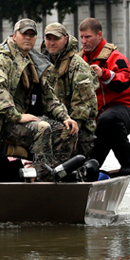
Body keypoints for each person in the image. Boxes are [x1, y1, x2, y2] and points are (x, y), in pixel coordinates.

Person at [0, 18, 79, 182]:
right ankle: (43, 179)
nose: (28, 38)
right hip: (3, 122)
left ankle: (57, 174)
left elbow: (49, 97)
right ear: (14, 35)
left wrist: (65, 117)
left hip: (24, 120)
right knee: (42, 128)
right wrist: (16, 116)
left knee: (68, 130)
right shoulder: (2, 59)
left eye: (32, 35)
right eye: (24, 34)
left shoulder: (33, 61)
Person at [80, 18, 130, 175]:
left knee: (108, 120)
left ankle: (128, 162)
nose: (84, 41)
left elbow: (125, 81)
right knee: (87, 165)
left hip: (124, 112)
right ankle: (89, 173)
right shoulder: (80, 59)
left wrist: (104, 74)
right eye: (82, 37)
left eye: (88, 37)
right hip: (98, 119)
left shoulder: (116, 57)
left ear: (99, 35)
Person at [40, 22, 98, 158]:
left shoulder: (78, 66)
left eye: (56, 39)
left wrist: (68, 134)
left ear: (66, 39)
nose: (52, 43)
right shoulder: (43, 64)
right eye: (49, 39)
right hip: (51, 125)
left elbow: (82, 108)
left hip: (78, 130)